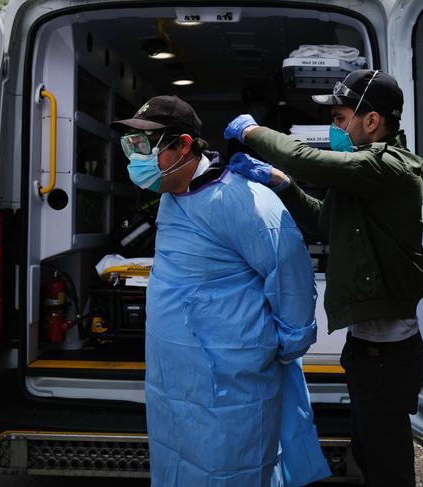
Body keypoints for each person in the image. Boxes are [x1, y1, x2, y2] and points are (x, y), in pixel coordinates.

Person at [224, 69, 423, 487]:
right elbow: (323, 222)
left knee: (388, 462)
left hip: (386, 355)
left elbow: (306, 159)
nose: (334, 128)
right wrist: (282, 185)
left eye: (339, 118)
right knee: (370, 452)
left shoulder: (387, 167)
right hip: (368, 346)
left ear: (371, 121)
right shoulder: (363, 175)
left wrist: (254, 132)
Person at [110, 95, 330, 486]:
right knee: (177, 465)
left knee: (229, 471)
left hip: (231, 387)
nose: (135, 157)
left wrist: (287, 343)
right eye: (131, 146)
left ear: (183, 145)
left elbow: (290, 276)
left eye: (146, 146)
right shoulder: (171, 198)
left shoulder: (242, 200)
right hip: (173, 382)